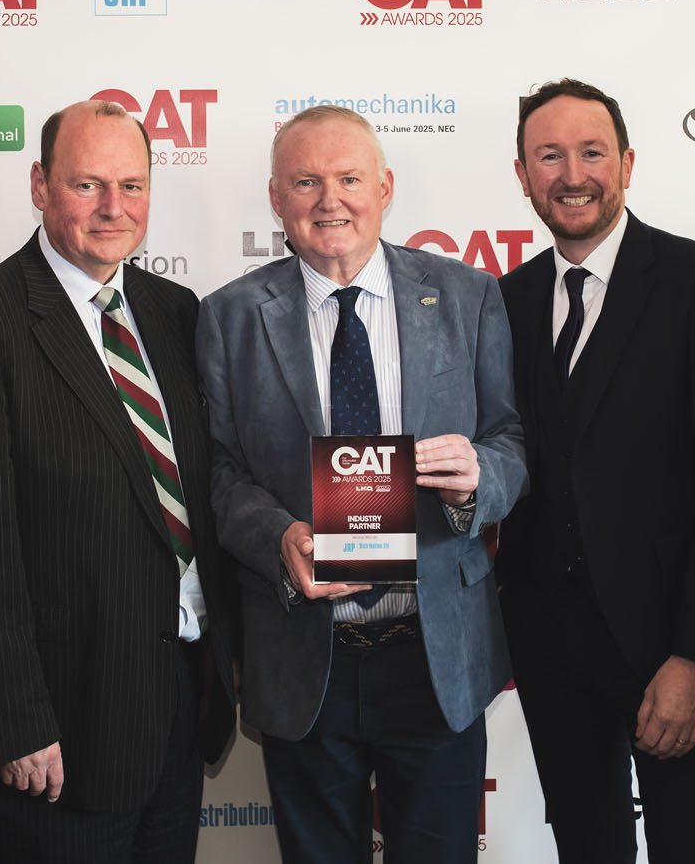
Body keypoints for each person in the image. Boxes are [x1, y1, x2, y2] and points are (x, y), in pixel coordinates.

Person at [196, 104, 525, 864]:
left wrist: (477, 482)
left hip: (435, 654)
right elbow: (219, 472)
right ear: (275, 198)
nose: (329, 201)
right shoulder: (229, 317)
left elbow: (510, 440)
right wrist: (277, 536)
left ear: (385, 187)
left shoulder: (468, 295)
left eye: (348, 179)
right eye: (305, 182)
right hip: (304, 655)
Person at [0, 100, 237, 864]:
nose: (112, 208)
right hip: (59, 731)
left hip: (176, 707)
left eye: (132, 185)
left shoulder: (173, 312)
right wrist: (14, 721)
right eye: (87, 184)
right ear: (40, 185)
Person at [496, 78, 695, 862]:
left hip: (670, 648)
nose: (572, 175)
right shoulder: (504, 301)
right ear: (523, 176)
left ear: (628, 164)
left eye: (592, 152)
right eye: (550, 156)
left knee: (691, 847)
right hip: (549, 653)